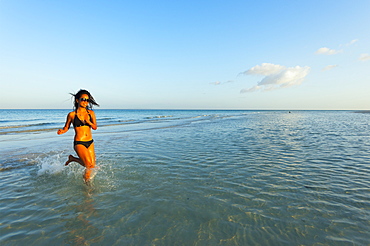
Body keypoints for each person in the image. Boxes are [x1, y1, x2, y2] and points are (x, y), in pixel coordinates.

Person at [57, 89, 99, 183]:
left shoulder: (90, 113)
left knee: (92, 166)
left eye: (87, 100)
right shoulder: (72, 115)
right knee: (88, 165)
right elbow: (66, 127)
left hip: (90, 142)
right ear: (77, 100)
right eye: (83, 99)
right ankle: (87, 188)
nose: (85, 102)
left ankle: (73, 159)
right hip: (79, 142)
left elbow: (95, 127)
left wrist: (88, 122)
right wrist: (62, 131)